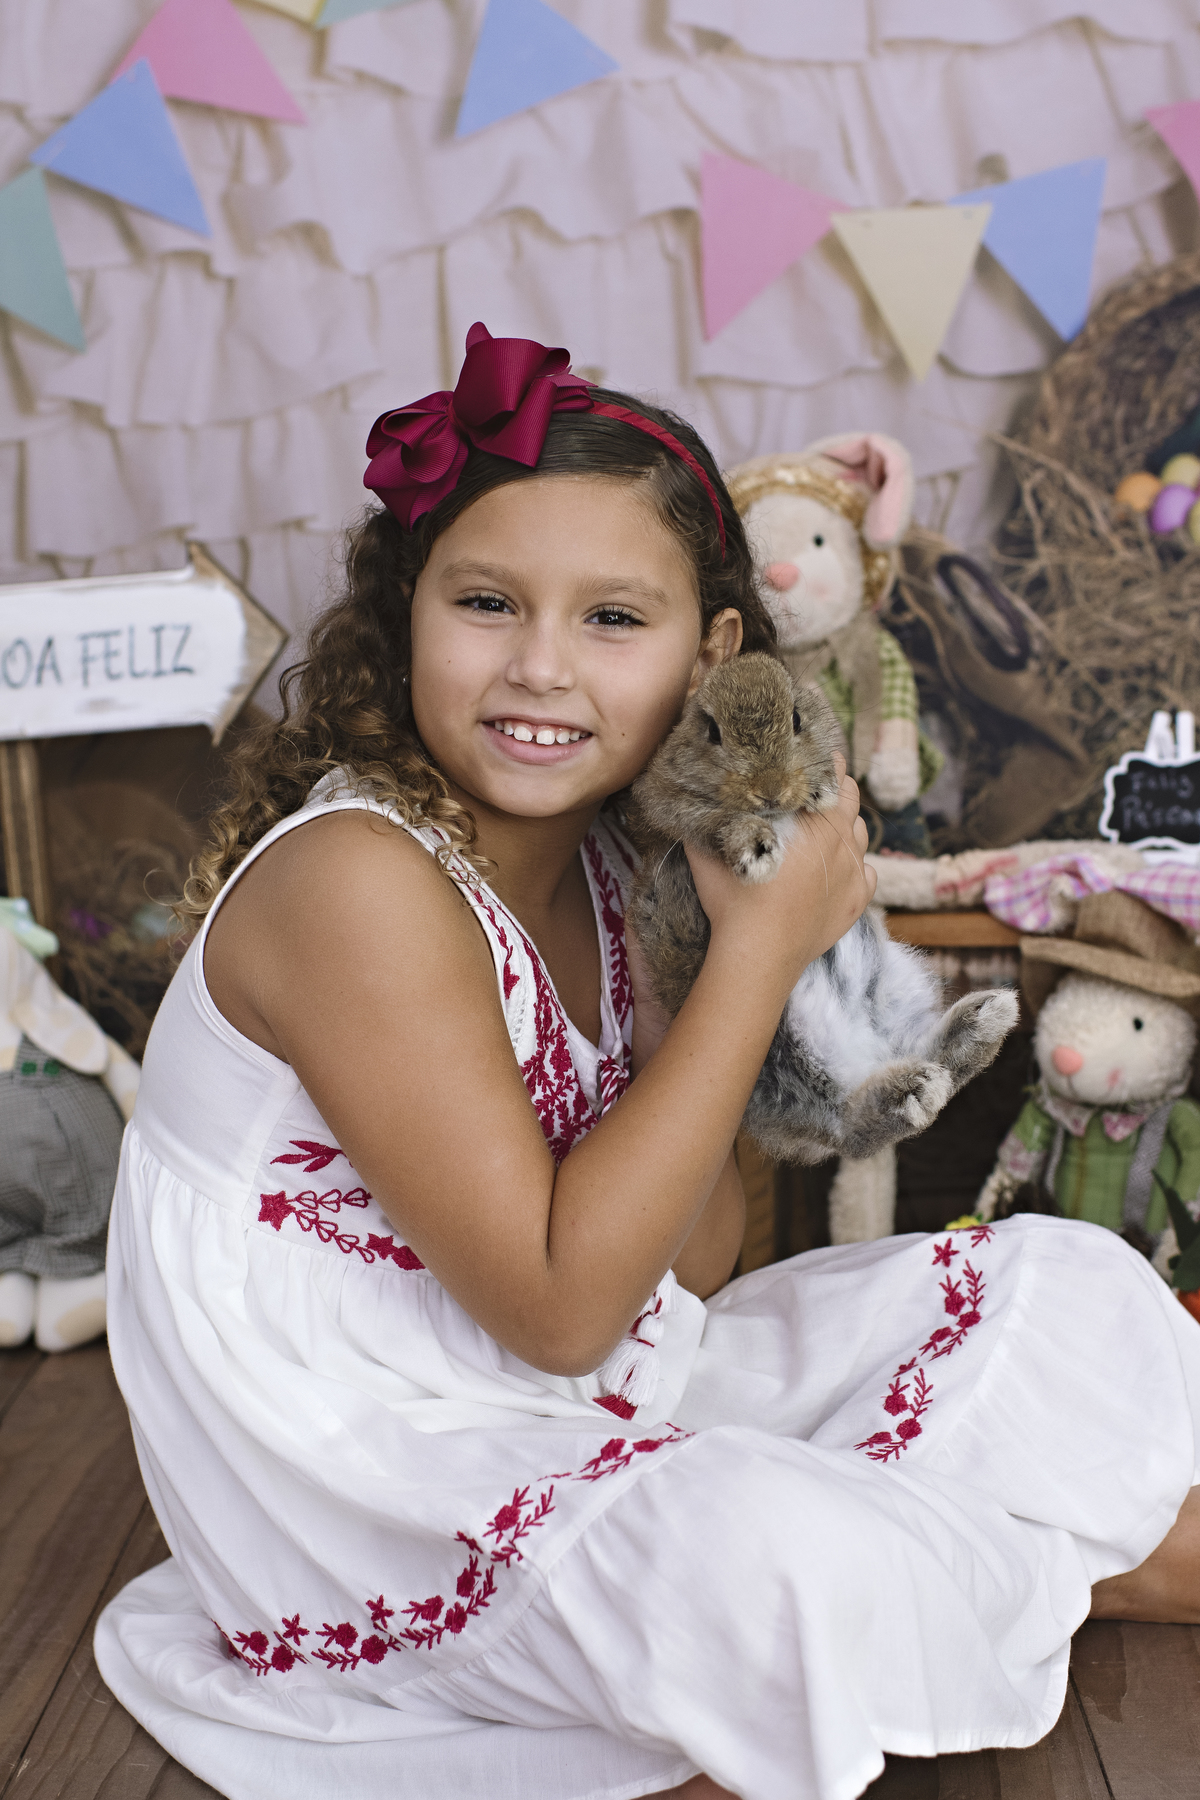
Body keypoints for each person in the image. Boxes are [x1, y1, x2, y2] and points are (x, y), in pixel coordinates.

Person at [97, 325, 1200, 1800]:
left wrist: (721, 954)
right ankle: (1041, 1566)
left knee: (1059, 1291)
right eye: (485, 602)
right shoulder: (355, 881)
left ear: (712, 652)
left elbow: (689, 1271)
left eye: (616, 619)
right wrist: (760, 955)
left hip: (568, 1381)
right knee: (771, 1558)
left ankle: (996, 1571)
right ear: (405, 611)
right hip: (370, 1474)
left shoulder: (624, 874)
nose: (540, 667)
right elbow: (561, 1311)